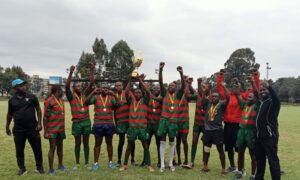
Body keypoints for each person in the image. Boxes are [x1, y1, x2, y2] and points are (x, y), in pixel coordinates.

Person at [217, 69, 260, 172]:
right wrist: (221, 75)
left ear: (240, 87)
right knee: (229, 147)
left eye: (237, 85)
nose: (235, 87)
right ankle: (232, 166)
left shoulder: (244, 96)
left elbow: (256, 90)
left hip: (239, 126)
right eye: (234, 85)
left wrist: (255, 76)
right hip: (227, 125)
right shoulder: (227, 96)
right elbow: (219, 87)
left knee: (240, 149)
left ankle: (242, 168)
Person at [6, 79, 44, 176]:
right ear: (15, 88)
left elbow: (38, 110)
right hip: (18, 130)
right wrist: (7, 126)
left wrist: (39, 123)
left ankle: (39, 167)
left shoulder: (31, 97)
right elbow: (9, 114)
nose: (24, 87)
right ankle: (22, 169)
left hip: (32, 128)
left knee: (37, 149)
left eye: (24, 85)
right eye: (20, 85)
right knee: (19, 150)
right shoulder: (11, 100)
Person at [119, 75, 154, 172]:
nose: (138, 94)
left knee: (145, 146)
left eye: (139, 92)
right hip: (132, 128)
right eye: (136, 92)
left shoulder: (145, 101)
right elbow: (126, 92)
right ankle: (125, 164)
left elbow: (147, 91)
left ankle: (149, 164)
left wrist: (140, 80)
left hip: (142, 128)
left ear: (141, 94)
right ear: (134, 94)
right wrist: (130, 80)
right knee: (129, 147)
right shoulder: (131, 101)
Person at [157, 62, 186, 172]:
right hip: (164, 120)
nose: (171, 87)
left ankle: (170, 164)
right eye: (169, 85)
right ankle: (162, 165)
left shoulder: (178, 95)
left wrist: (181, 74)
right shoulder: (164, 93)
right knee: (162, 142)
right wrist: (160, 70)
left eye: (173, 86)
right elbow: (160, 82)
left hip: (173, 122)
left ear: (176, 87)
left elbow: (183, 86)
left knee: (172, 142)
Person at [84, 84, 119, 171]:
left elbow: (118, 105)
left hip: (109, 124)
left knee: (109, 143)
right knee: (97, 143)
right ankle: (96, 163)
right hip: (98, 124)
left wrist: (114, 95)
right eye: (103, 88)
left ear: (109, 89)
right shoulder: (96, 97)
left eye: (107, 88)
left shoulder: (111, 98)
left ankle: (110, 162)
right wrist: (93, 92)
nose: (105, 89)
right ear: (100, 89)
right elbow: (86, 102)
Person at [65, 64, 94, 170]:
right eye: (78, 86)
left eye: (81, 86)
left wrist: (91, 70)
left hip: (86, 122)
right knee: (77, 143)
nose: (80, 87)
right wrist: (71, 73)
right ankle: (77, 163)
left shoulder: (85, 94)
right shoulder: (71, 96)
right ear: (74, 88)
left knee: (86, 143)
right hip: (77, 122)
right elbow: (67, 86)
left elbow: (91, 83)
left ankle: (86, 163)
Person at [232, 75, 259, 180]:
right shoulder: (244, 105)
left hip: (251, 132)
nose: (247, 98)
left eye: (250, 97)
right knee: (240, 153)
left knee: (253, 155)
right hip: (241, 131)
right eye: (247, 97)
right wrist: (236, 85)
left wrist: (253, 82)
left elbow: (256, 93)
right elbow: (237, 94)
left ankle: (253, 174)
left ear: (255, 99)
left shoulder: (256, 106)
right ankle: (240, 171)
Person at [254, 81, 281, 180]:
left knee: (272, 161)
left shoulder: (272, 103)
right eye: (260, 90)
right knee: (260, 160)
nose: (262, 92)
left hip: (269, 138)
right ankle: (259, 178)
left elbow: (277, 100)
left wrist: (269, 87)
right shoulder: (261, 103)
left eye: (264, 90)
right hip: (259, 137)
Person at [201, 84, 229, 176]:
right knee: (206, 149)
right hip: (207, 131)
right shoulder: (208, 103)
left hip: (217, 131)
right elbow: (203, 99)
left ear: (219, 98)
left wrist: (224, 87)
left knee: (220, 150)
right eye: (212, 96)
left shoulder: (221, 104)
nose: (214, 98)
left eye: (216, 97)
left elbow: (228, 98)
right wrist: (205, 91)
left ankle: (223, 169)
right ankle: (205, 166)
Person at [187, 78, 210, 168]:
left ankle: (205, 162)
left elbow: (204, 100)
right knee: (194, 141)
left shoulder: (211, 97)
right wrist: (190, 84)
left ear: (208, 89)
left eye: (205, 87)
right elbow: (188, 95)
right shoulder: (197, 96)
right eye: (202, 87)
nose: (203, 88)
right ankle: (192, 161)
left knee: (205, 142)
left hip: (206, 125)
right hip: (197, 123)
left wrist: (199, 84)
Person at [43, 85, 66, 176]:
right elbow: (45, 117)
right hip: (52, 129)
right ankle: (51, 169)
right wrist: (45, 131)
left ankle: (60, 165)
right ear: (57, 91)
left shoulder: (61, 100)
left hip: (61, 128)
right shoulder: (49, 101)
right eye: (61, 90)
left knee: (60, 148)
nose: (63, 92)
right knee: (52, 148)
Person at [114, 81, 136, 166]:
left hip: (130, 121)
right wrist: (116, 125)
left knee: (131, 141)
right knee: (121, 141)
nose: (117, 87)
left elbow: (133, 103)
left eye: (119, 85)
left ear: (123, 86)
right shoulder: (114, 96)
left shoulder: (128, 93)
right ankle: (119, 160)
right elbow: (114, 111)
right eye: (116, 86)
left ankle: (133, 159)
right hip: (121, 122)